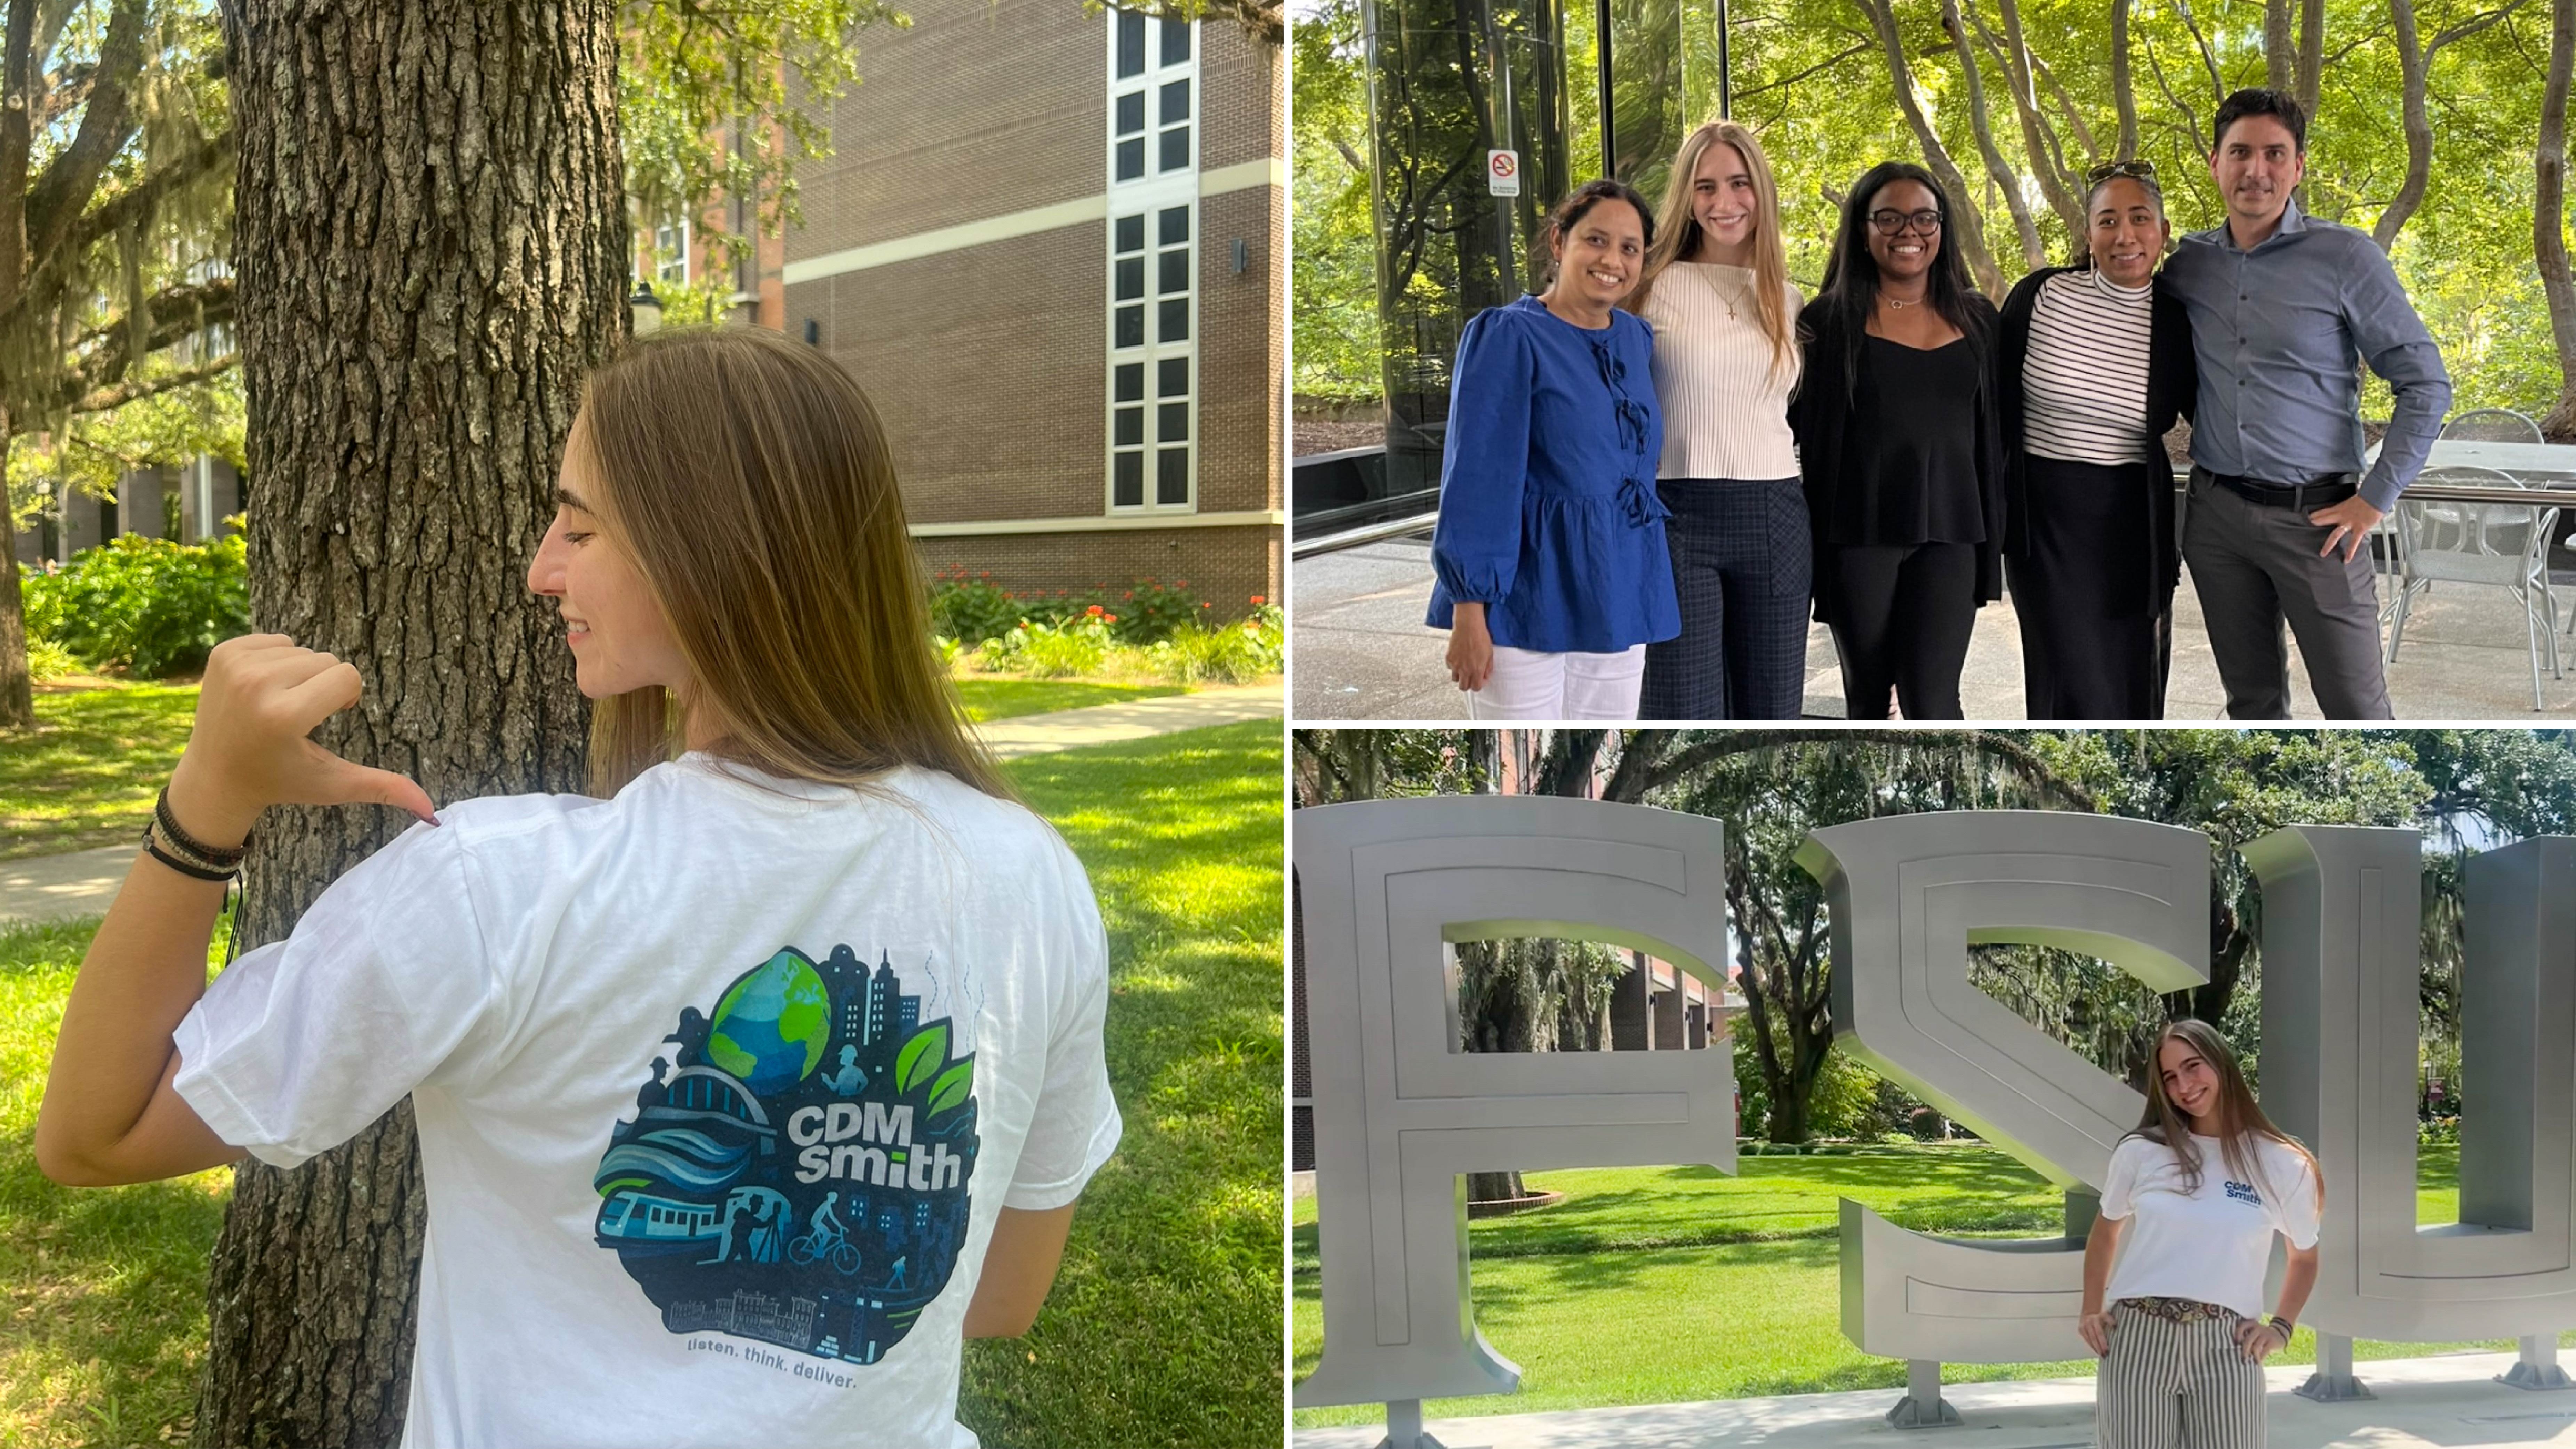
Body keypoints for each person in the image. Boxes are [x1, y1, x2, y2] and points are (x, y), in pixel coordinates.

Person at [32, 327, 1122, 1448]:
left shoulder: (498, 891)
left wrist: (205, 805)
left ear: (709, 551)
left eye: (581, 526)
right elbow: (996, 1295)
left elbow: (95, 1135)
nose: (542, 569)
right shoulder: (1030, 874)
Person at [2162, 87, 2452, 720]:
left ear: (2297, 167)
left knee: (2358, 710)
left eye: (2274, 154)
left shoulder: (2345, 256)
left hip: (2320, 523)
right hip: (2213, 520)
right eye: (2239, 152)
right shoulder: (2188, 265)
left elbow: (2426, 384)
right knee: (2250, 704)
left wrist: (2376, 497)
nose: (2255, 170)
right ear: (2214, 162)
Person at [1427, 179, 1677, 720]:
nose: (1612, 259)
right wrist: (1468, 610)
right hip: (1526, 596)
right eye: (1596, 240)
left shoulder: (1636, 339)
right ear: (1559, 242)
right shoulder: (1508, 335)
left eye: (1629, 248)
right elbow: (1477, 480)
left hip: (1619, 588)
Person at [1791, 162, 2005, 719]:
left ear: (1942, 227)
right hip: (1858, 535)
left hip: (1953, 534)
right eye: (1888, 218)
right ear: (1862, 228)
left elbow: (1997, 434)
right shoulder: (1826, 324)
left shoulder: (1978, 318)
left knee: (1934, 700)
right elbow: (1799, 431)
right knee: (1865, 696)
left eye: (1923, 218)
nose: (1907, 232)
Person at [1995, 160, 2198, 719]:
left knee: (2133, 666)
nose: (2123, 235)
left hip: (2132, 521)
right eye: (2106, 221)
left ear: (2160, 232)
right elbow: (1989, 402)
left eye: (2138, 219)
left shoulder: (2177, 321)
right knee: (2064, 667)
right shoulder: (2041, 297)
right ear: (2086, 234)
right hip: (2044, 519)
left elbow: (2217, 412)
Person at [1628, 120, 1808, 721]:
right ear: (1686, 196)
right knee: (1682, 704)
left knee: (1774, 710)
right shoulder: (1647, 287)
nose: (1723, 203)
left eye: (1738, 183)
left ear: (1761, 191)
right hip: (1676, 514)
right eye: (1705, 187)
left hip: (1776, 514)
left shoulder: (1786, 296)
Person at [2079, 1019, 2322, 1448]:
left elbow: (2304, 1257)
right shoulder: (2142, 1152)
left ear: (2221, 1063)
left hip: (2228, 1346)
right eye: (2171, 1077)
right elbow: (2105, 1231)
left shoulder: (2283, 1164)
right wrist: (2089, 1308)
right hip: (2137, 1341)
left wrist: (2282, 1328)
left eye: (2194, 1066)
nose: (2184, 1085)